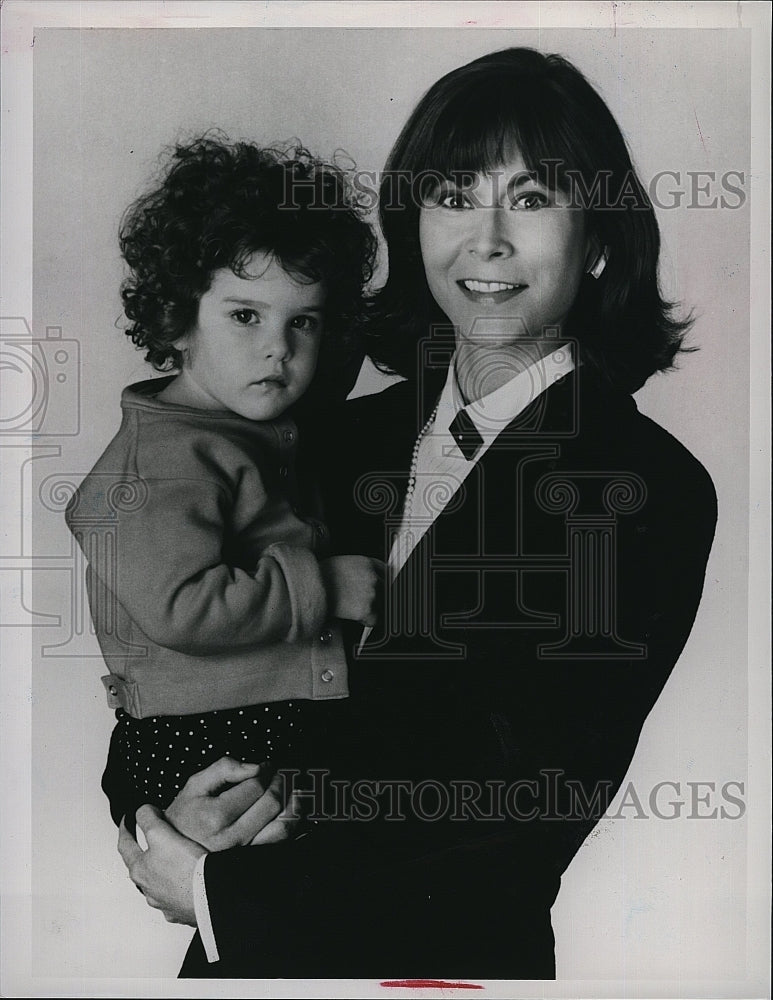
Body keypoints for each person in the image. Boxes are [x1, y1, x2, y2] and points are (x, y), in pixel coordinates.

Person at [117, 48, 717, 979]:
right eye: (450, 194)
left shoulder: (647, 487)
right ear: (411, 221)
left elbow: (530, 810)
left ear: (599, 237)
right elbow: (169, 656)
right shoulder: (324, 438)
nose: (484, 241)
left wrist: (217, 893)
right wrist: (162, 810)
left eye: (528, 200)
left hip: (439, 967)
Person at [66, 136, 382, 829]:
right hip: (206, 740)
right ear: (177, 318)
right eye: (245, 316)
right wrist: (324, 587)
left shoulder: (246, 420)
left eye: (303, 322)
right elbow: (182, 607)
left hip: (250, 723)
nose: (279, 346)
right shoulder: (165, 457)